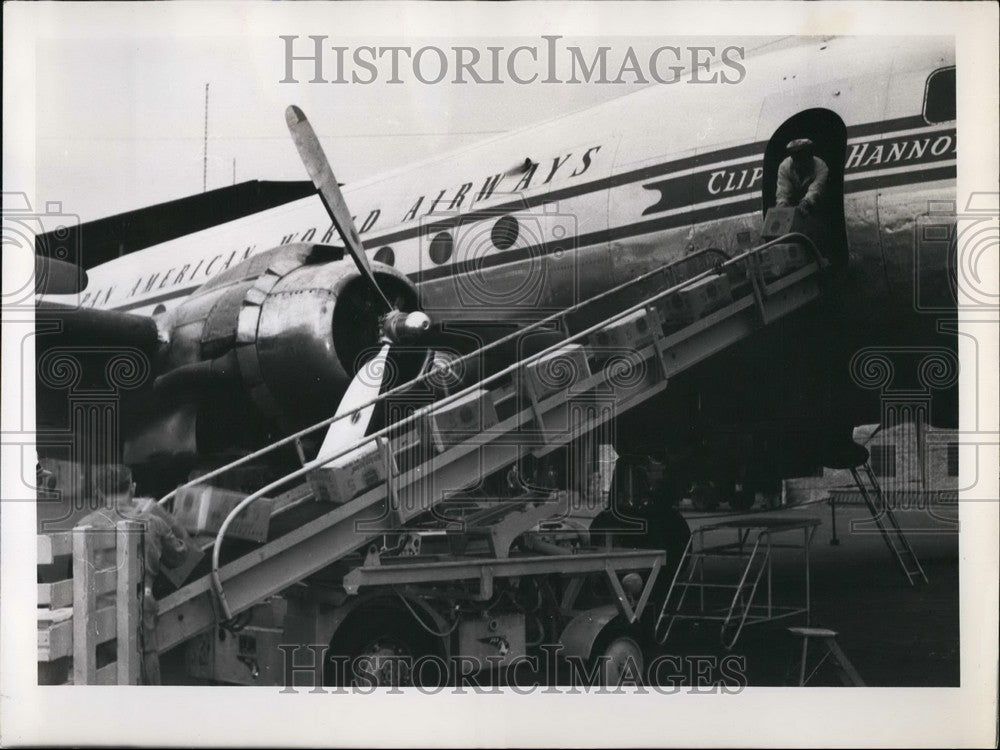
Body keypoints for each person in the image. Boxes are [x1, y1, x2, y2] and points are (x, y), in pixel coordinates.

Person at [78, 464, 188, 684]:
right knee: (146, 663)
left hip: (96, 613)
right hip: (139, 614)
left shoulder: (84, 525)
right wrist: (170, 521)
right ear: (133, 488)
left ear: (99, 492)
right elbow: (180, 556)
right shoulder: (152, 522)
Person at [775, 138, 829, 215]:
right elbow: (783, 191)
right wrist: (782, 205)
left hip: (817, 205)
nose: (799, 163)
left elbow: (816, 189)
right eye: (796, 159)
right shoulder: (784, 167)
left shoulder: (821, 166)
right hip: (794, 205)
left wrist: (806, 202)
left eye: (803, 158)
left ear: (810, 156)